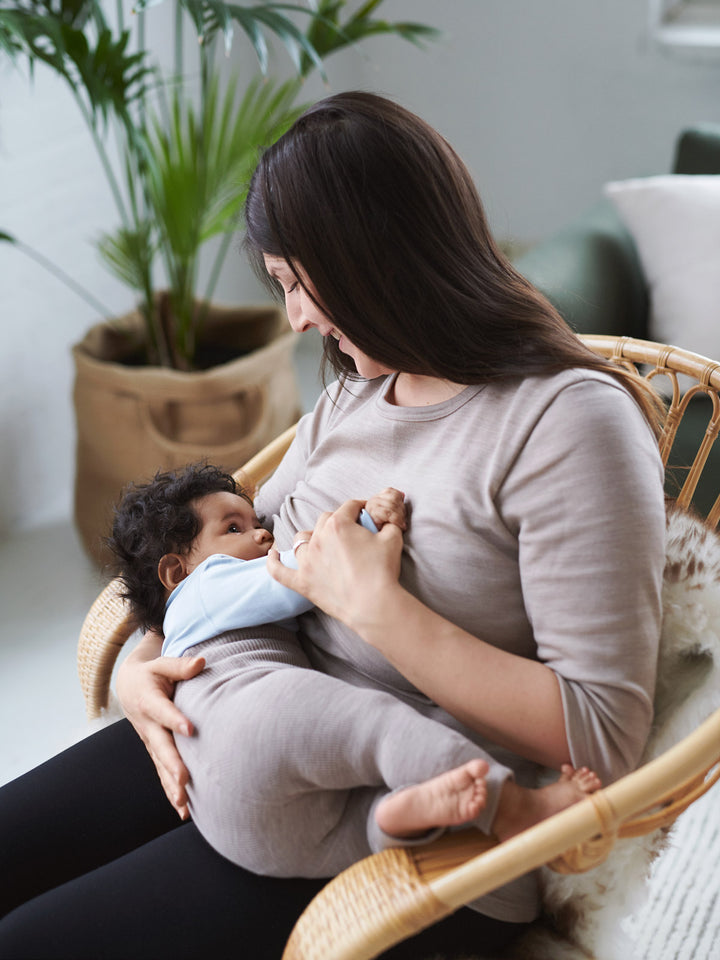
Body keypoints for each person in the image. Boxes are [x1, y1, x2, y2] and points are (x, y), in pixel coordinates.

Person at [0, 91, 666, 960]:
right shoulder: (360, 382)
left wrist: (380, 609)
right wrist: (141, 668)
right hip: (240, 718)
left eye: (296, 284)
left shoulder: (569, 424)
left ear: (374, 261)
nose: (296, 319)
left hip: (401, 815)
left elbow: (603, 735)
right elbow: (232, 554)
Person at [109, 462, 598, 878]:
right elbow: (307, 576)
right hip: (250, 720)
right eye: (233, 529)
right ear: (177, 573)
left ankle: (392, 817)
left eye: (255, 521)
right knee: (379, 730)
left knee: (351, 829)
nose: (261, 532)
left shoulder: (186, 617)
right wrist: (360, 524)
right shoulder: (207, 584)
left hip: (232, 826)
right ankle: (519, 810)